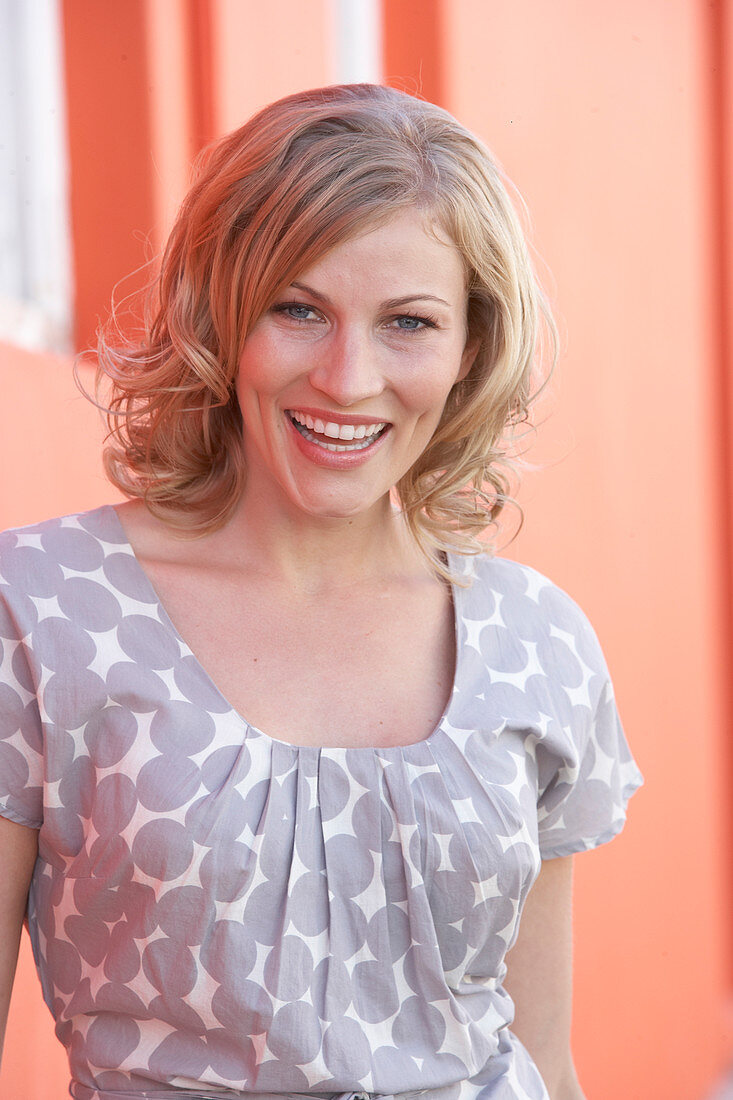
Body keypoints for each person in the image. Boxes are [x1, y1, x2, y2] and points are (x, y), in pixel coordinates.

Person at [0, 83, 642, 1100]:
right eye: (298, 309)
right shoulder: (39, 610)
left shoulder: (537, 639)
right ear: (221, 311)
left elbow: (547, 1061)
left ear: (470, 346)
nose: (347, 378)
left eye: (408, 322)